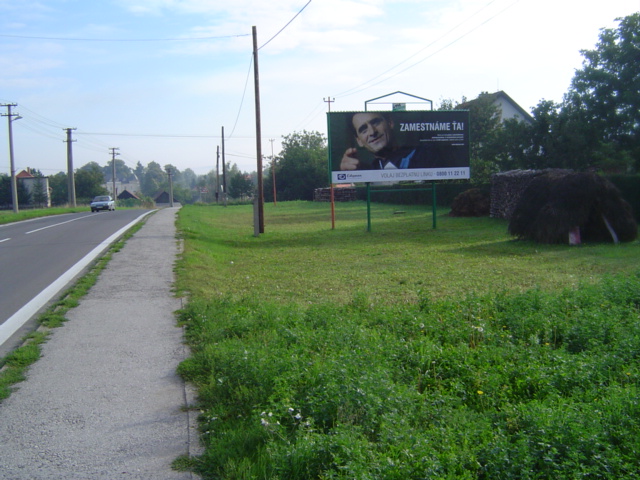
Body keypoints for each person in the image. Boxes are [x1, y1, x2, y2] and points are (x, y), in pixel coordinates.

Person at [340, 112, 432, 171]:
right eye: (364, 130)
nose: (372, 132)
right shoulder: (369, 170)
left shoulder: (424, 156)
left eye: (376, 122)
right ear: (359, 141)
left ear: (390, 123)